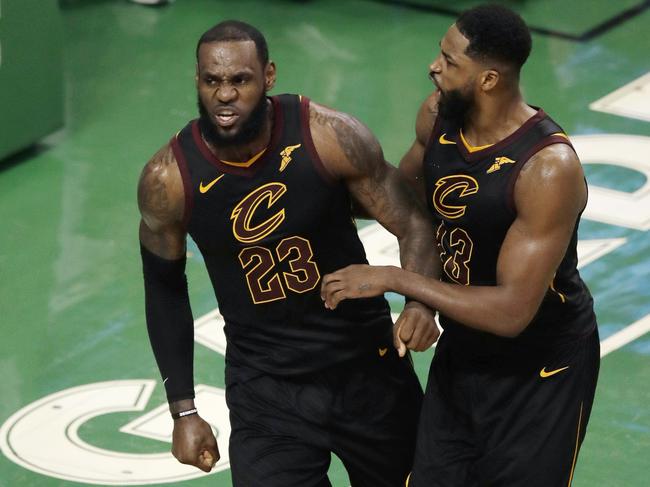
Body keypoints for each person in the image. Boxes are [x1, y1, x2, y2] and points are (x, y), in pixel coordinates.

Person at [137, 20, 440, 487]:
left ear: (269, 75)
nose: (224, 95)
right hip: (266, 389)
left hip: (367, 369)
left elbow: (412, 221)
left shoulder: (329, 136)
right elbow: (163, 287)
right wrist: (184, 410)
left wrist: (420, 301)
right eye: (212, 81)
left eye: (240, 80)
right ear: (197, 79)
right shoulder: (168, 179)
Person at [321, 5, 600, 486]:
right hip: (465, 354)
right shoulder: (437, 118)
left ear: (489, 80)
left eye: (450, 62)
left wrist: (395, 280)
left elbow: (512, 313)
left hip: (540, 372)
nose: (434, 67)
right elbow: (405, 204)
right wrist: (310, 193)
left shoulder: (547, 169)